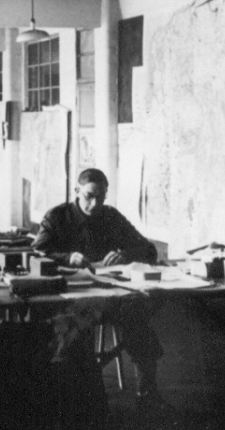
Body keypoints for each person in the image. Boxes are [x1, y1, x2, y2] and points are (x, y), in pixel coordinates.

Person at [32, 168, 164, 403]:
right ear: (76, 191)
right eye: (89, 196)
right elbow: (37, 252)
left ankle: (148, 393)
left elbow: (148, 250)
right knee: (72, 330)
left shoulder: (111, 217)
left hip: (109, 293)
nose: (95, 204)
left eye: (101, 198)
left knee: (136, 317)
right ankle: (74, 395)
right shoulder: (57, 216)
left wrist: (124, 254)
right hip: (70, 294)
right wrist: (66, 257)